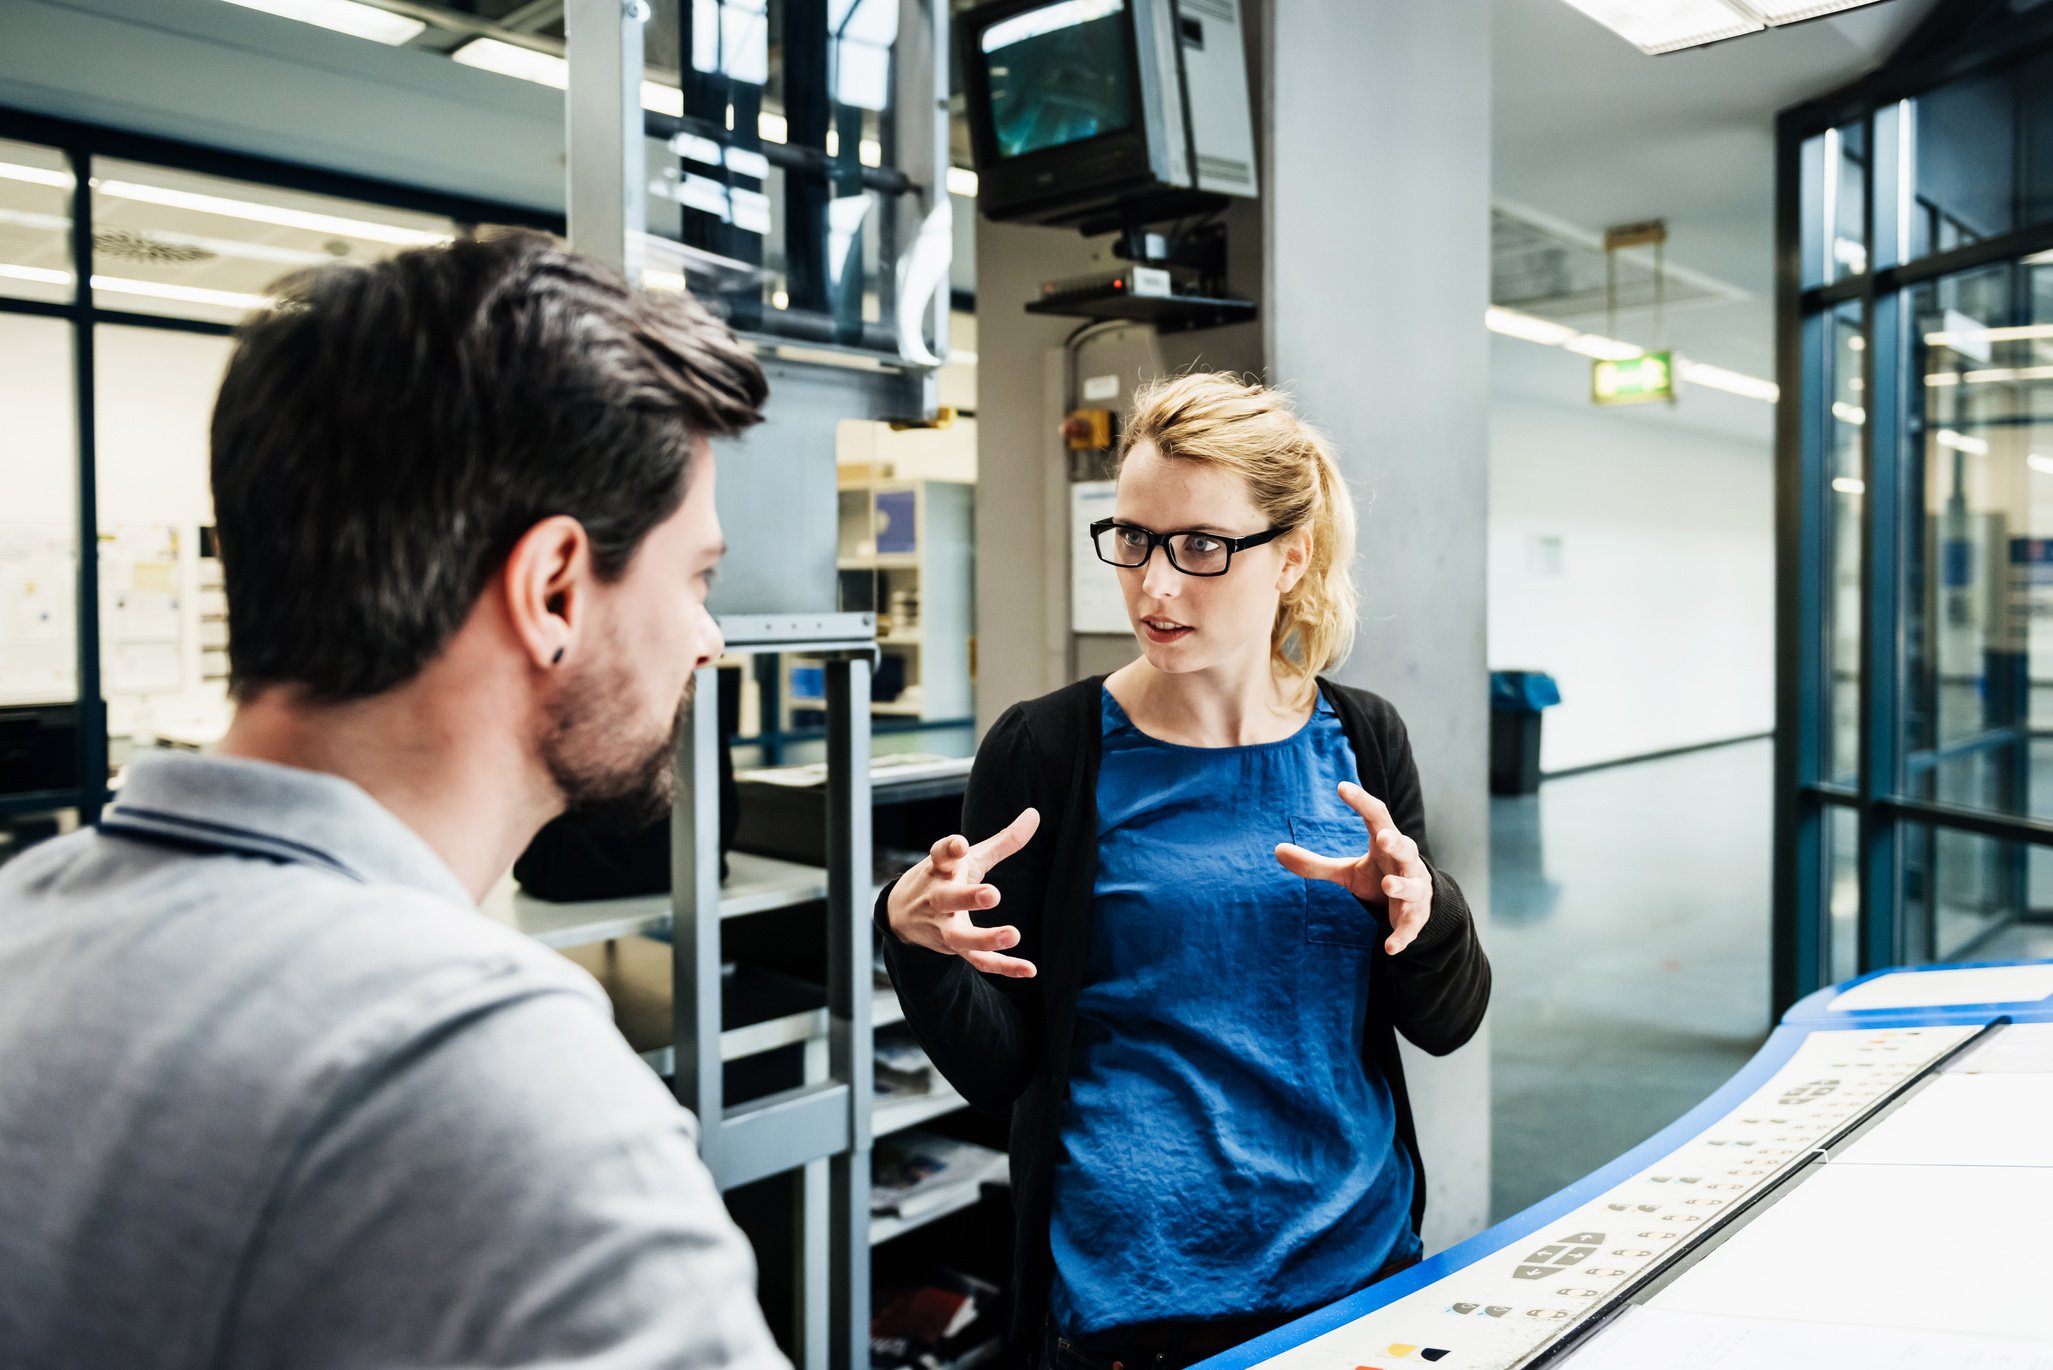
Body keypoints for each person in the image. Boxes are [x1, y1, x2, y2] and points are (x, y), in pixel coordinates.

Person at [0, 231, 790, 1370]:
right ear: (553, 588)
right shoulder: (493, 1076)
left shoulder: (26, 915)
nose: (707, 640)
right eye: (697, 577)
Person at [877, 372, 1492, 1370]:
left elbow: (1445, 1020)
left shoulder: (1364, 741)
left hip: (1358, 1271)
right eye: (1131, 538)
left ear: (1290, 556)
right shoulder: (1047, 752)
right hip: (1133, 1302)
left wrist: (1425, 913)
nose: (1153, 587)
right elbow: (1002, 1067)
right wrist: (917, 943)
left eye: (1200, 547)